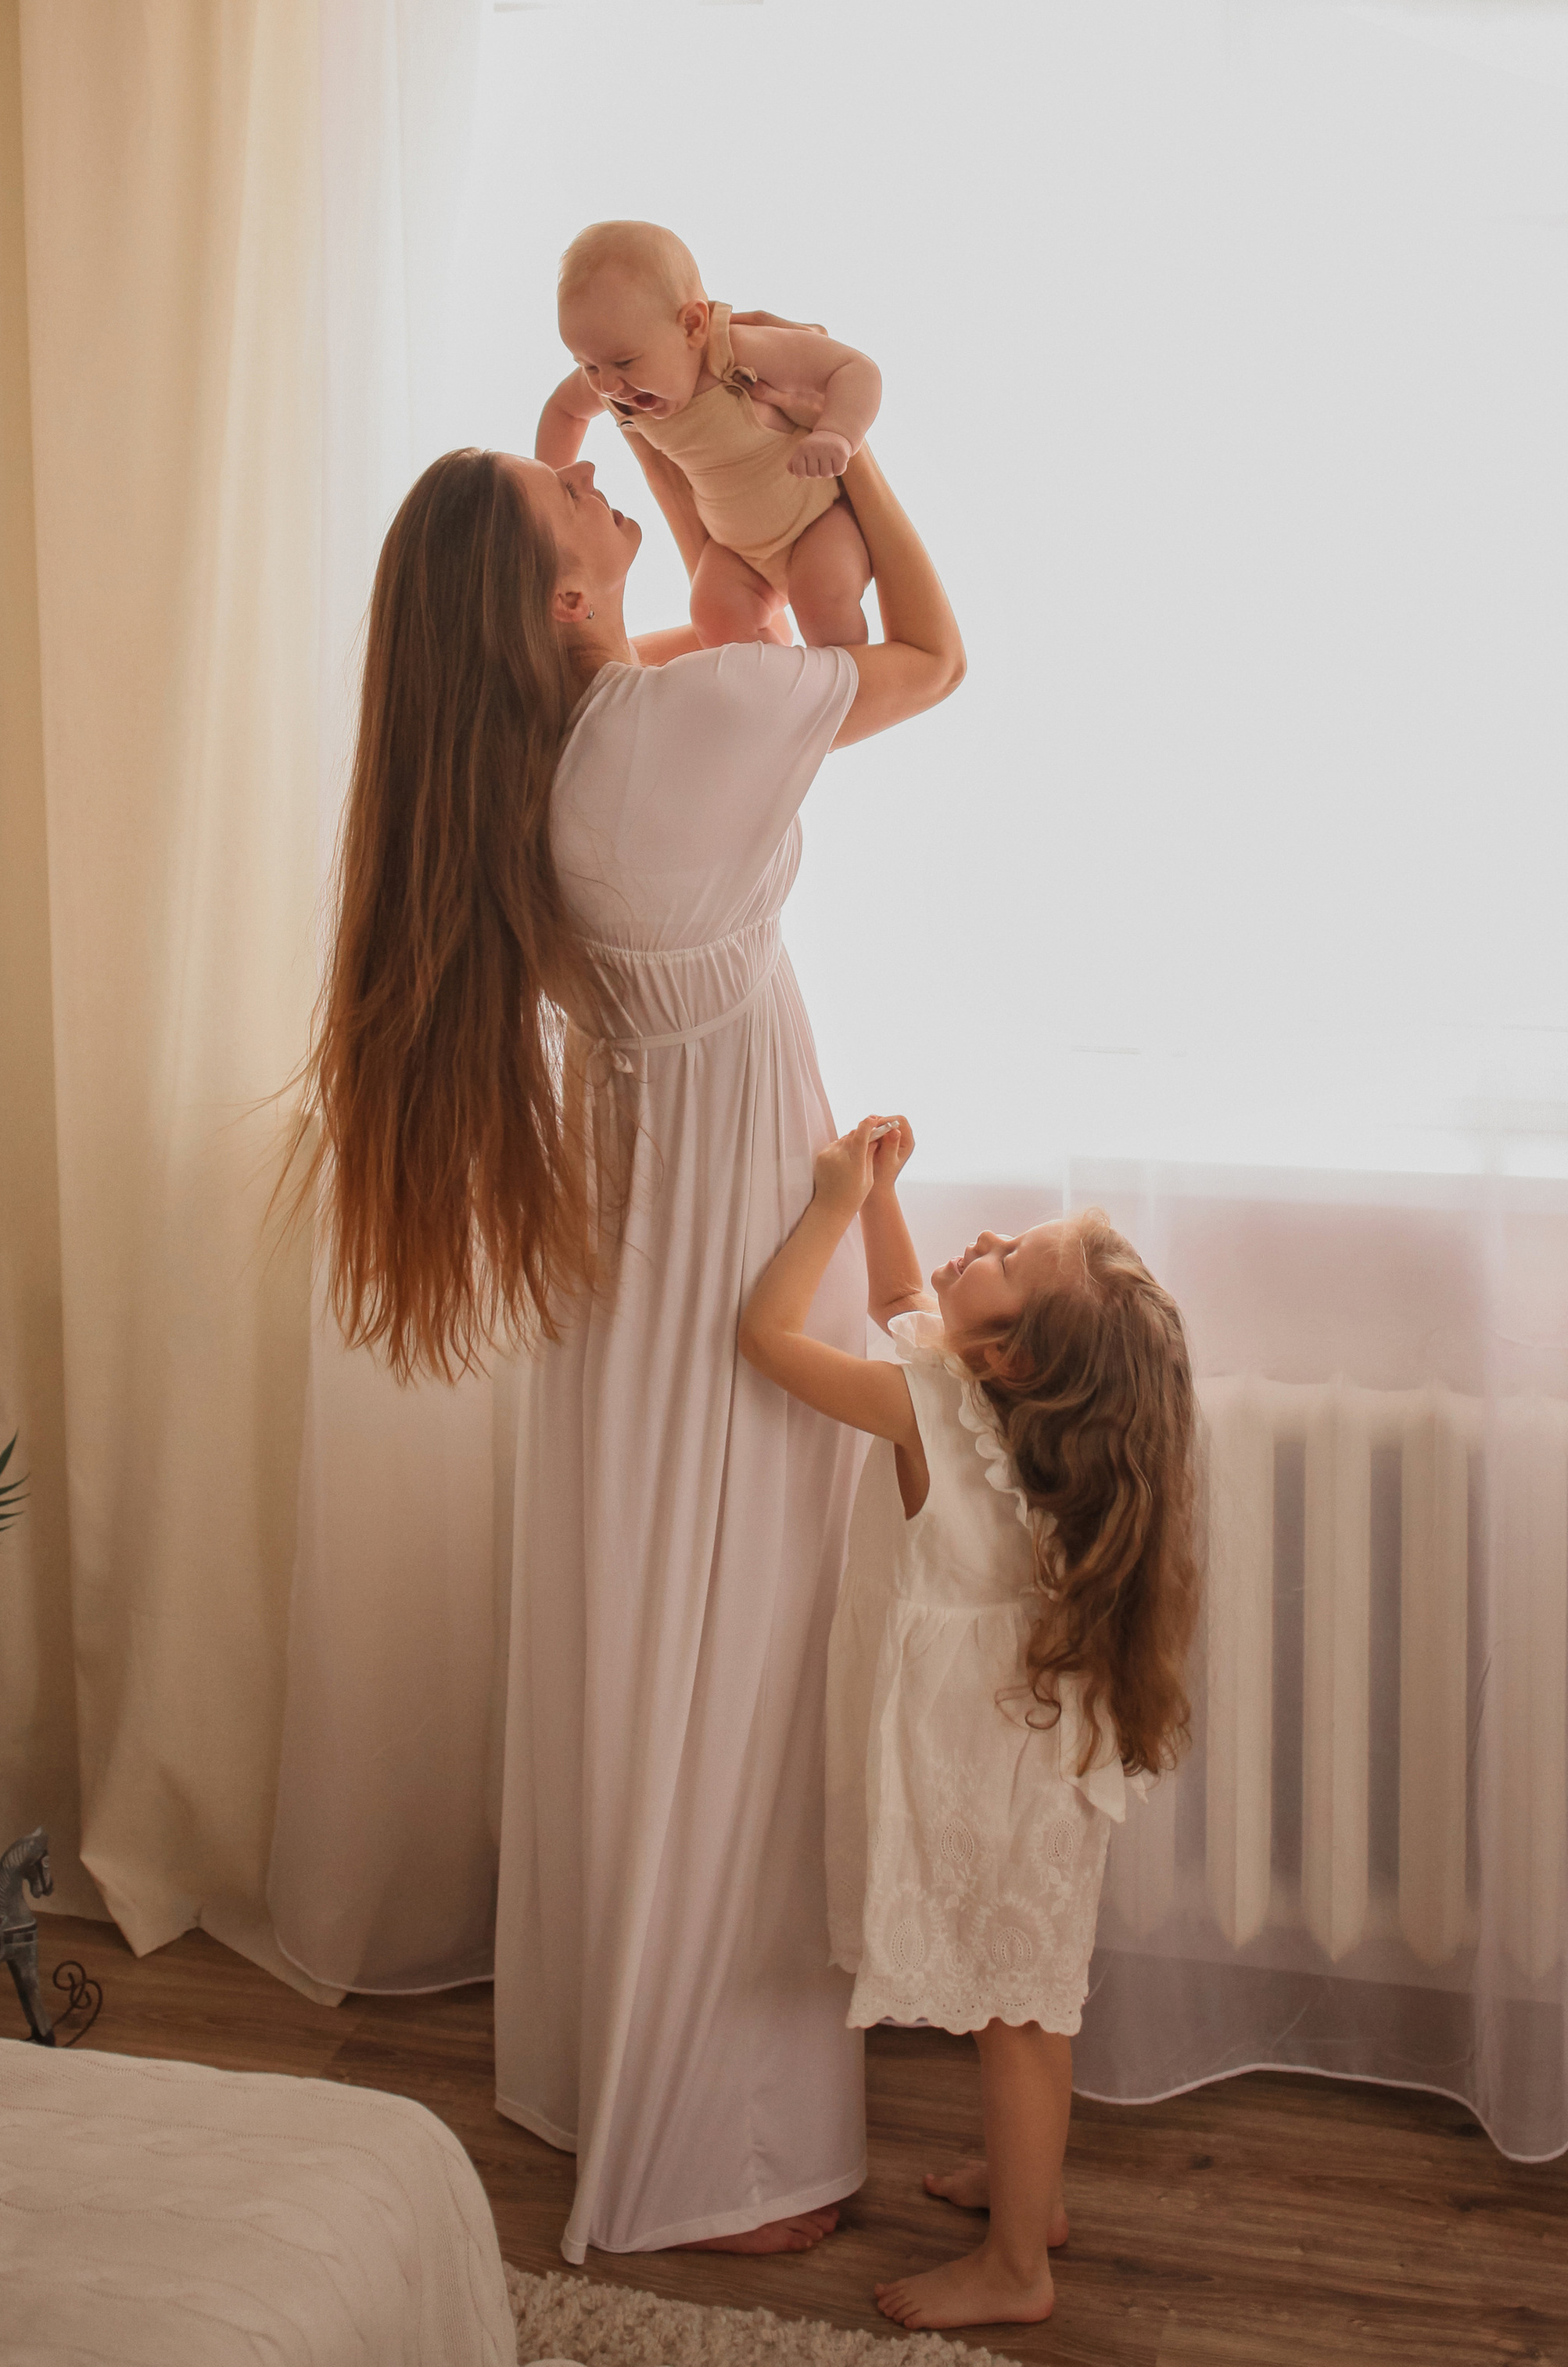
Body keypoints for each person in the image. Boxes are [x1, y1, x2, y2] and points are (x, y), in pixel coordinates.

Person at [296, 428, 962, 2265]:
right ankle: (724, 2147)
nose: (591, 492)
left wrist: (647, 470)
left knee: (649, 1626)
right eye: (572, 503)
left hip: (646, 1233)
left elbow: (699, 620)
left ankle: (620, 2068)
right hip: (739, 1217)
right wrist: (858, 465)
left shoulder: (535, 761)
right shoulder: (653, 739)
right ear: (569, 599)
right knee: (737, 1658)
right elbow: (919, 653)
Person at [739, 1113, 1200, 2332]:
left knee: (1018, 2012)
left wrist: (835, 1200)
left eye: (1009, 1258)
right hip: (1037, 1756)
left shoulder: (924, 1411)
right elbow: (908, 1300)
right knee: (1028, 1999)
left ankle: (1017, 2269)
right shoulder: (1001, 1417)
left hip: (989, 1766)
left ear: (1007, 1359)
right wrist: (895, 1195)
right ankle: (1026, 2192)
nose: (983, 1238)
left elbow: (766, 1338)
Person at [537, 219, 879, 649]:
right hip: (735, 548)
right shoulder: (615, 387)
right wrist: (550, 491)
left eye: (624, 363)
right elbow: (563, 411)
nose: (605, 384)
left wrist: (837, 434)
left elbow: (853, 369)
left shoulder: (732, 353)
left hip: (818, 522)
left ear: (693, 327)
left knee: (821, 601)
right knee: (712, 616)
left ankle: (853, 694)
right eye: (588, 366)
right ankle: (779, 688)